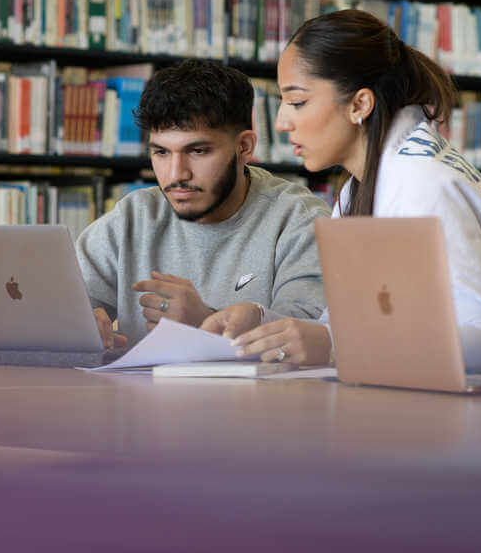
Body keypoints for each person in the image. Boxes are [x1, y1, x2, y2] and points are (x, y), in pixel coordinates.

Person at [201, 9, 481, 375]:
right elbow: (352, 326)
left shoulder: (422, 182)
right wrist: (264, 323)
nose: (281, 122)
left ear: (360, 104)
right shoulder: (357, 190)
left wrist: (336, 347)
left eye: (297, 102)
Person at [76, 58, 331, 348]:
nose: (176, 175)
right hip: (138, 393)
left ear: (244, 147)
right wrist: (79, 322)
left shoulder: (300, 221)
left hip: (256, 394)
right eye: (161, 152)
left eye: (197, 151)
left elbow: (303, 342)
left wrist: (205, 322)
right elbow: (63, 302)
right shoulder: (132, 217)